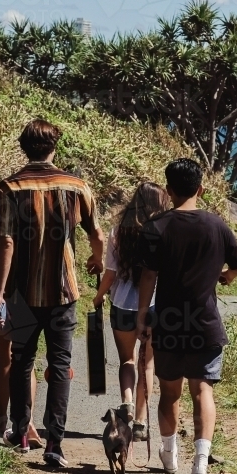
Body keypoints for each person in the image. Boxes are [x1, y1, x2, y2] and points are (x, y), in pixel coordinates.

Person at [0, 119, 104, 468]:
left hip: (22, 291)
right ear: (55, 148)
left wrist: (0, 292)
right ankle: (55, 443)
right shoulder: (77, 187)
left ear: (23, 147)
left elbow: (5, 241)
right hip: (64, 290)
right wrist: (95, 260)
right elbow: (97, 234)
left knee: (22, 362)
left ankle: (22, 433)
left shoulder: (10, 188)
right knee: (60, 364)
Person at [136, 159, 237, 474]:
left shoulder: (156, 227)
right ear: (201, 189)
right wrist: (223, 277)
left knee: (169, 392)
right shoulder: (217, 226)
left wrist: (143, 315)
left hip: (168, 322)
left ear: (167, 190)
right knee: (202, 390)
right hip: (205, 323)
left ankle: (169, 456)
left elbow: (149, 275)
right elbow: (236, 266)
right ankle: (200, 464)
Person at [93, 182, 169, 441]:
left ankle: (126, 401)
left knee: (127, 360)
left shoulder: (119, 232)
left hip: (122, 303)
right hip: (153, 304)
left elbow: (111, 273)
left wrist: (99, 295)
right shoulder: (162, 232)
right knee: (146, 364)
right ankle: (140, 423)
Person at [0, 211, 41, 448]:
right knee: (25, 360)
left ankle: (3, 420)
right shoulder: (31, 222)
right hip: (26, 296)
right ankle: (28, 422)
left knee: (3, 358)